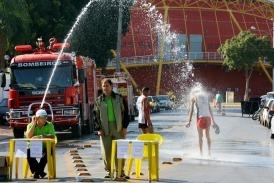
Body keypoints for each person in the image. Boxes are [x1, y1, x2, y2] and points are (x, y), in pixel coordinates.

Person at [94, 78, 129, 181]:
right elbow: (95, 116)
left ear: (111, 86)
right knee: (106, 151)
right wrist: (99, 128)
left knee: (121, 150)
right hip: (105, 129)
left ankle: (120, 171)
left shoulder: (119, 98)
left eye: (107, 85)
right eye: (103, 86)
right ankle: (110, 172)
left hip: (118, 127)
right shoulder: (99, 100)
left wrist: (124, 127)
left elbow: (126, 113)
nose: (105, 87)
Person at [185, 86, 220, 157]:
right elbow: (210, 109)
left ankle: (201, 154)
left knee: (200, 137)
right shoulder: (205, 96)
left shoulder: (194, 97)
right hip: (208, 118)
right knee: (208, 136)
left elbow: (191, 110)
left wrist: (189, 121)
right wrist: (213, 121)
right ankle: (209, 153)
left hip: (200, 118)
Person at [25, 109, 57, 179]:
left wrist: (41, 136)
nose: (45, 119)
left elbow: (52, 136)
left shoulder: (49, 125)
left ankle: (37, 172)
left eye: (46, 117)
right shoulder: (30, 125)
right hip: (34, 147)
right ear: (37, 118)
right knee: (28, 154)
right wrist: (33, 123)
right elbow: (29, 137)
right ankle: (40, 172)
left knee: (48, 153)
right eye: (43, 117)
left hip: (46, 146)